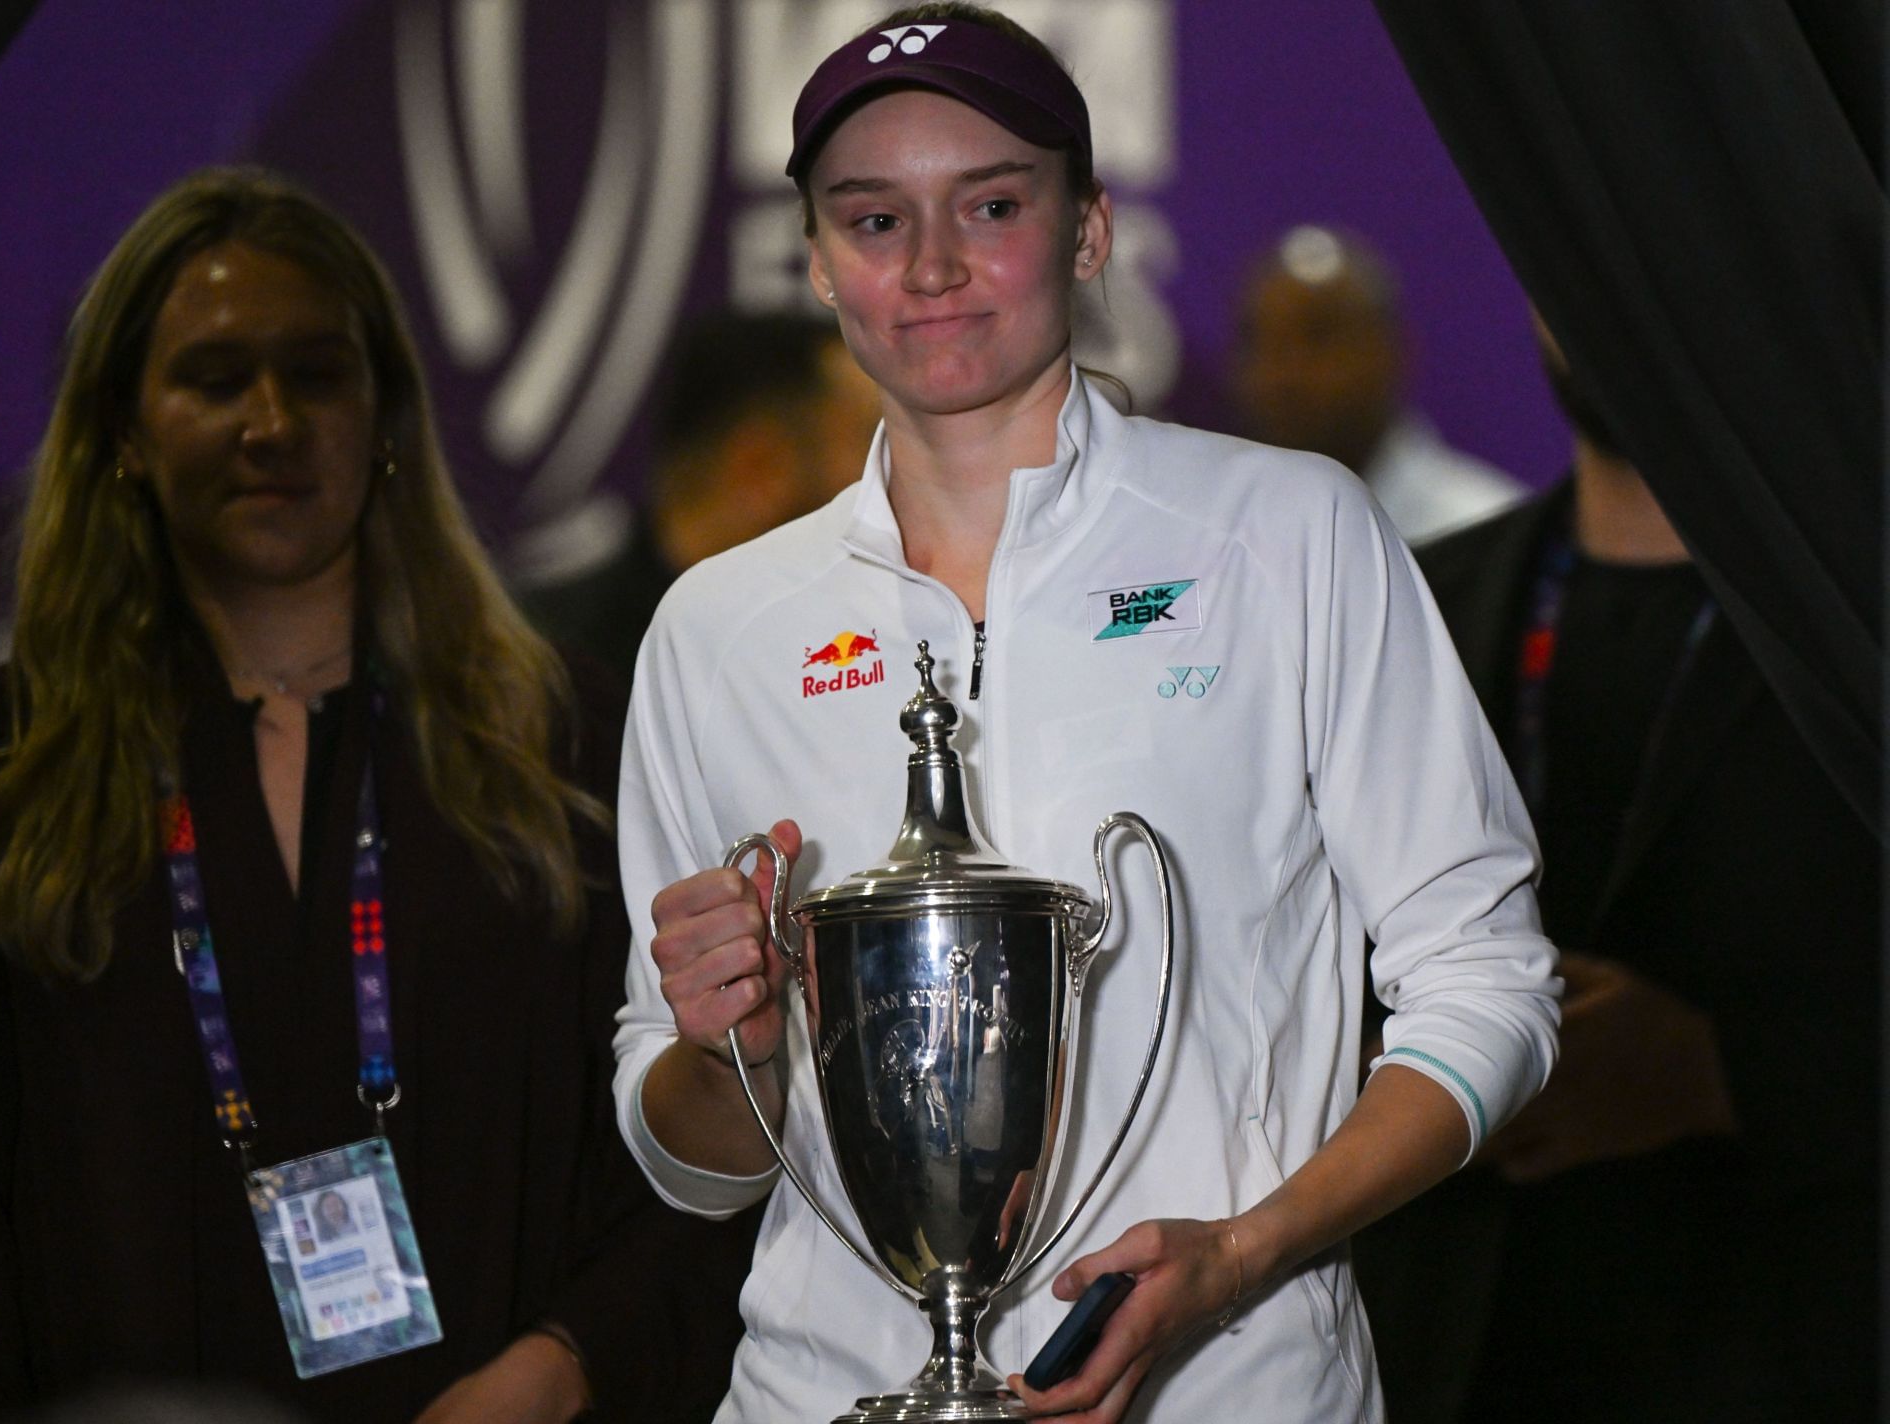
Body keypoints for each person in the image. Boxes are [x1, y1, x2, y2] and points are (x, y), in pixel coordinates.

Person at [610, 7, 1559, 1421]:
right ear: (815, 261)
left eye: (991, 204)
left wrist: (1241, 1256)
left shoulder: (1288, 536)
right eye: (874, 220)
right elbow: (695, 1158)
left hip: (1232, 1388)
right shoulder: (718, 627)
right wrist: (729, 1047)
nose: (931, 266)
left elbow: (1492, 989)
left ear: (1090, 231)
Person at [0, 167, 753, 1424]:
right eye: (216, 377)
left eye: (317, 373)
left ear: (386, 414)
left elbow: (716, 1152)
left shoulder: (570, 744)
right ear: (122, 426)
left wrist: (567, 1363)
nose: (272, 421)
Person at [1354, 322, 1880, 1422]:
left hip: (1797, 1344)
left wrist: (1724, 1074)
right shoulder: (1408, 605)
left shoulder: (1853, 619)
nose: (1593, 281)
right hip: (1449, 1354)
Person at [522, 311, 878, 688]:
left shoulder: (880, 651)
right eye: (874, 440)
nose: (904, 474)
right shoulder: (546, 684)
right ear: (761, 468)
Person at [1231, 225, 1523, 543]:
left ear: (1391, 351)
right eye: (1262, 343)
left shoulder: (1486, 535)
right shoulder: (1222, 536)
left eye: (1319, 337)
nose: (1287, 374)